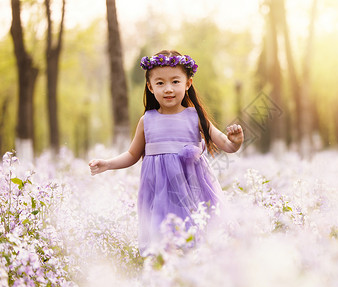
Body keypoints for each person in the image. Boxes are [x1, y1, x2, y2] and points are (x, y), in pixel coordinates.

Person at [89, 50, 244, 255]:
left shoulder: (195, 117)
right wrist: (108, 164)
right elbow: (132, 154)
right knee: (163, 238)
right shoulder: (147, 120)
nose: (168, 89)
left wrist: (235, 142)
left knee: (197, 232)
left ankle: (197, 266)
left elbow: (226, 145)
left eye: (175, 82)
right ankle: (165, 269)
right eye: (160, 83)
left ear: (187, 83)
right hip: (159, 191)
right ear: (150, 87)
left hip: (192, 186)